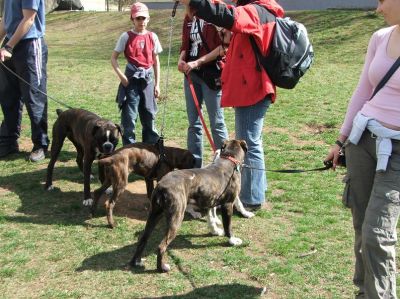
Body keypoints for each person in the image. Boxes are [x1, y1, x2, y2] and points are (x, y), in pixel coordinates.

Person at [325, 0, 400, 297]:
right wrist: (340, 140)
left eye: (383, 1)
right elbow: (362, 91)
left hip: (396, 152)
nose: (378, 8)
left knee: (376, 234)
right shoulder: (380, 38)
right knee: (361, 228)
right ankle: (364, 291)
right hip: (362, 141)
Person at [178, 0, 284, 210]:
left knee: (249, 144)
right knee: (253, 142)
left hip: (252, 89)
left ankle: (250, 198)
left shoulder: (255, 11)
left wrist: (196, 2)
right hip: (250, 87)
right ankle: (256, 191)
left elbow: (227, 17)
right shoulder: (261, 11)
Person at [177, 7, 229, 168]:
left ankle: (225, 167)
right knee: (194, 123)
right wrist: (181, 60)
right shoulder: (189, 16)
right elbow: (186, 43)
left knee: (217, 122)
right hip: (192, 74)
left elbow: (224, 47)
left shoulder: (216, 13)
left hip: (211, 74)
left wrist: (198, 62)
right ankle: (194, 168)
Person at [0, 0, 49, 162]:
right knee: (8, 96)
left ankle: (40, 145)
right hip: (10, 43)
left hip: (30, 44)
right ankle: (8, 142)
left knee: (34, 96)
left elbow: (29, 19)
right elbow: (6, 21)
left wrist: (8, 47)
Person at [111, 2, 162, 146]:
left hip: (148, 80)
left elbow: (156, 62)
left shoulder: (153, 37)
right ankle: (129, 149)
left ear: (148, 19)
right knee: (129, 118)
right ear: (132, 19)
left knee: (149, 115)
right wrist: (122, 77)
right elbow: (113, 58)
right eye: (138, 18)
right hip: (131, 80)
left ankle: (150, 149)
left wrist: (157, 85)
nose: (141, 21)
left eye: (144, 18)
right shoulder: (126, 36)